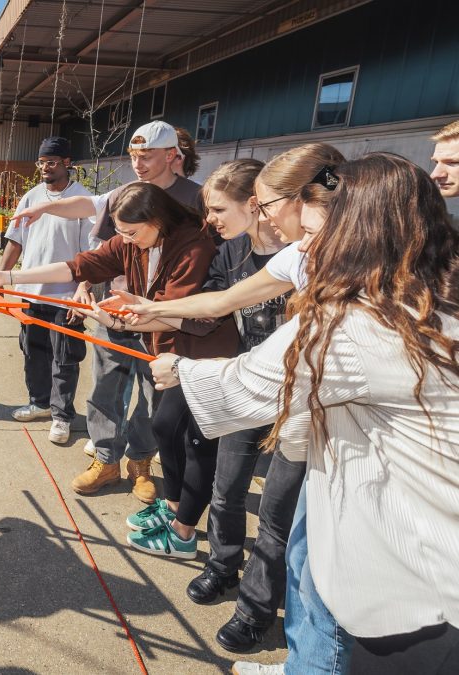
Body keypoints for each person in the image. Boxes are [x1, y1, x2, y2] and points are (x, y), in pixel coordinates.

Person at [150, 153, 459, 674]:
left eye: (317, 232)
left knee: (339, 603)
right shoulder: (432, 293)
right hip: (393, 494)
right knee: (307, 566)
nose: (306, 246)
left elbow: (248, 387)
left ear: (355, 231)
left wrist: (179, 369)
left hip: (408, 536)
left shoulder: (356, 322)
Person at [117, 143, 355, 674]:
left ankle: (256, 608)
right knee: (226, 489)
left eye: (223, 210)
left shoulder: (331, 260)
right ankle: (225, 566)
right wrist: (150, 310)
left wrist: (180, 361)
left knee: (279, 516)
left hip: (290, 398)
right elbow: (216, 304)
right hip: (251, 386)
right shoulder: (269, 252)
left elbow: (283, 361)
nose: (210, 220)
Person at [0, 182, 239, 560]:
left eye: (131, 233)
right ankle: (173, 511)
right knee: (165, 428)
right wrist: (9, 278)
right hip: (169, 352)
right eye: (119, 232)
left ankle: (183, 528)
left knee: (191, 442)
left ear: (157, 219)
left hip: (199, 358)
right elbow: (80, 265)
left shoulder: (193, 246)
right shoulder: (132, 241)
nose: (124, 240)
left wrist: (121, 322)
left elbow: (177, 314)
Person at [8, 120, 204, 503]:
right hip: (116, 310)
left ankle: (141, 463)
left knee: (153, 396)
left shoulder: (196, 200)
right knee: (105, 388)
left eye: (145, 155)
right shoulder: (127, 193)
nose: (138, 163)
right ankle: (106, 459)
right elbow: (88, 216)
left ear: (172, 155)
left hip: (167, 319)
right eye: (133, 156)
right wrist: (42, 208)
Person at [0, 136, 91, 443]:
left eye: (51, 162)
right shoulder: (31, 198)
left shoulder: (82, 201)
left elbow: (92, 254)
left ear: (67, 163)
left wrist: (83, 292)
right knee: (33, 351)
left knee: (64, 356)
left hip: (66, 295)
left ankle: (62, 416)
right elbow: (15, 241)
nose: (45, 169)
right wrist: (1, 276)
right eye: (41, 163)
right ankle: (39, 402)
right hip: (32, 292)